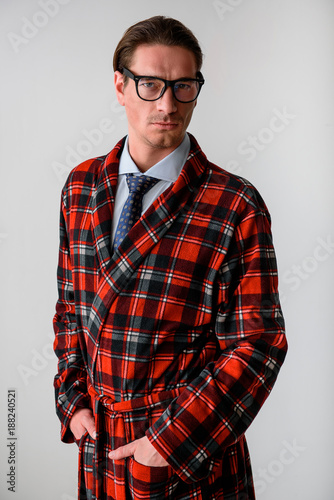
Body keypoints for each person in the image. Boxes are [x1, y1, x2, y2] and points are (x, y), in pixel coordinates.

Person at [53, 15, 287, 500]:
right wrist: (71, 399)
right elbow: (69, 309)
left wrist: (165, 444)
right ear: (120, 86)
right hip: (98, 448)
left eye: (183, 87)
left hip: (186, 458)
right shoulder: (80, 187)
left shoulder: (234, 204)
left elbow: (259, 344)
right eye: (150, 84)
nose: (167, 103)